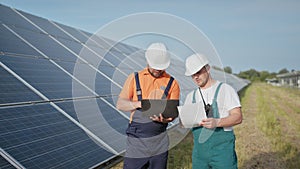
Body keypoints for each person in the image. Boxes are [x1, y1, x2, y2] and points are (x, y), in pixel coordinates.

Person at [116, 42, 180, 169]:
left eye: (160, 67)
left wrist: (165, 119)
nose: (158, 69)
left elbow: (173, 113)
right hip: (136, 141)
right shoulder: (134, 78)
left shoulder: (172, 83)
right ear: (148, 61)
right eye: (155, 66)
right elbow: (120, 104)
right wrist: (140, 104)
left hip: (159, 142)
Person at [183, 53, 242, 169]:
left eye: (198, 72)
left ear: (208, 69)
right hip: (199, 154)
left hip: (222, 152)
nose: (196, 77)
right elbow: (184, 122)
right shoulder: (191, 97)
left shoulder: (225, 90)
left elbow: (238, 117)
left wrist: (217, 122)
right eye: (192, 74)